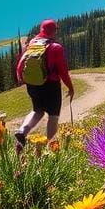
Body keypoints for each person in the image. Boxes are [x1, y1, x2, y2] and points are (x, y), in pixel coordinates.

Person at [14, 19, 75, 147]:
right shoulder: (55, 48)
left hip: (32, 85)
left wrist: (20, 77)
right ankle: (51, 146)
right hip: (51, 86)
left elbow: (21, 63)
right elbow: (63, 72)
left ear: (41, 30)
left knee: (37, 111)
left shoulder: (32, 44)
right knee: (53, 116)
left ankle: (22, 131)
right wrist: (70, 87)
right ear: (54, 31)